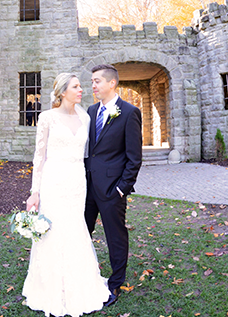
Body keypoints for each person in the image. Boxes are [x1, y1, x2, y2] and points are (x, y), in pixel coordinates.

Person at [22, 73, 111, 316]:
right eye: (76, 86)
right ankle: (50, 287)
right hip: (53, 180)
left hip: (76, 181)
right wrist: (35, 191)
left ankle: (78, 284)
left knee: (74, 228)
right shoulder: (47, 118)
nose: (81, 89)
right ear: (62, 92)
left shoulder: (85, 116)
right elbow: (39, 157)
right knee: (52, 231)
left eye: (81, 86)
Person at [85, 64, 143, 307]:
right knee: (81, 233)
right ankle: (81, 278)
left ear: (112, 83)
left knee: (115, 238)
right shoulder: (89, 110)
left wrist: (121, 188)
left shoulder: (129, 113)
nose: (93, 86)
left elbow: (134, 157)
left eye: (97, 81)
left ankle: (115, 284)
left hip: (111, 190)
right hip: (86, 188)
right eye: (92, 82)